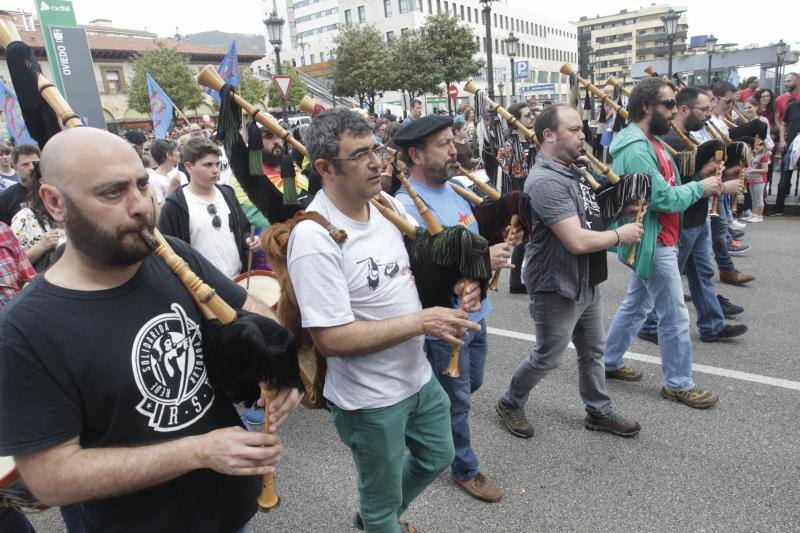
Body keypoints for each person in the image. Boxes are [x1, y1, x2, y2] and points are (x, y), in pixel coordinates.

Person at [0, 127, 302, 531]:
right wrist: (199, 451)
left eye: (142, 185)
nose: (141, 205)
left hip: (233, 510)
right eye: (112, 193)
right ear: (55, 202)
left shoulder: (173, 253)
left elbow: (251, 309)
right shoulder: (24, 329)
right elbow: (51, 479)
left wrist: (280, 369)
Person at [288, 108, 479, 532]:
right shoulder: (314, 238)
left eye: (376, 149)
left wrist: (464, 279)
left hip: (417, 377)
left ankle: (385, 512)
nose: (378, 162)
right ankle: (380, 517)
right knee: (379, 507)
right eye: (359, 155)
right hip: (369, 400)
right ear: (325, 168)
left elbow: (425, 264)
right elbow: (332, 340)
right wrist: (422, 323)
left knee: (438, 455)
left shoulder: (385, 203)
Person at [393, 114, 522, 503]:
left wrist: (501, 236)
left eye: (453, 141)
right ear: (415, 154)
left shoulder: (454, 190)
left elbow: (469, 245)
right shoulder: (406, 207)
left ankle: (427, 413)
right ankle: (464, 466)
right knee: (458, 400)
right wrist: (484, 260)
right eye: (443, 145)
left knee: (469, 386)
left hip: (476, 315)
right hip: (446, 325)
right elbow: (421, 274)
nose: (454, 150)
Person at [495, 104, 643, 441]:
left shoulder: (573, 170)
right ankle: (509, 401)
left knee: (593, 351)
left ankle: (599, 411)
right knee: (549, 356)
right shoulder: (546, 181)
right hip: (556, 284)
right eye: (574, 130)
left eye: (582, 129)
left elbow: (588, 215)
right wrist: (622, 235)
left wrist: (621, 207)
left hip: (585, 278)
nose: (583, 135)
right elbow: (576, 239)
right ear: (549, 135)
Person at [602, 77, 724, 409]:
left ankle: (609, 361)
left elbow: (669, 183)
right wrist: (704, 188)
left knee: (637, 305)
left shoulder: (650, 140)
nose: (674, 111)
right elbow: (661, 198)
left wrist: (700, 176)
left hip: (659, 236)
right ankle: (678, 383)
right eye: (668, 104)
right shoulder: (636, 146)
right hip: (654, 240)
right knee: (674, 315)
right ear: (646, 106)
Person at [637, 87, 747, 344]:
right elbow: (672, 187)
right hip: (681, 219)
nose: (709, 115)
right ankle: (651, 324)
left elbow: (698, 175)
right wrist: (712, 183)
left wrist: (724, 173)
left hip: (699, 217)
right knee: (667, 280)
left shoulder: (692, 136)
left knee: (703, 274)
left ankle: (712, 324)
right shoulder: (670, 142)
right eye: (704, 110)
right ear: (684, 110)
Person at [158, 137, 261, 278]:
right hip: (203, 289)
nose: (215, 170)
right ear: (189, 167)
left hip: (238, 280)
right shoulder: (175, 205)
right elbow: (168, 252)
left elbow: (243, 229)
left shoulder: (227, 193)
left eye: (217, 164)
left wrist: (249, 239)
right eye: (207, 165)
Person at [496, 102, 536, 294]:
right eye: (527, 115)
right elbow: (515, 173)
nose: (532, 118)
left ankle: (515, 282)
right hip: (517, 197)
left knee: (524, 241)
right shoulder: (508, 146)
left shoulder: (534, 140)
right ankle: (527, 279)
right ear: (516, 120)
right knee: (526, 240)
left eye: (532, 114)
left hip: (534, 195)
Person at [10, 157, 65, 271]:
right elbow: (14, 266)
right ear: (43, 182)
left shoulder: (80, 210)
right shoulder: (24, 218)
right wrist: (41, 246)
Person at [770, 76, 800, 216]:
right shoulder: (792, 106)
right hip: (791, 146)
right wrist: (782, 139)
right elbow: (783, 124)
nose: (786, 83)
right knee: (784, 178)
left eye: (790, 80)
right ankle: (778, 208)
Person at [0, 143, 40, 225]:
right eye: (25, 164)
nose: (31, 168)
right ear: (14, 167)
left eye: (34, 163)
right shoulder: (5, 199)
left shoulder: (53, 189)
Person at [148, 138, 187, 204]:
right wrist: (172, 187)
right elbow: (159, 210)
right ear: (168, 155)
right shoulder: (152, 179)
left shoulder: (180, 174)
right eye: (176, 150)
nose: (179, 153)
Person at [743, 136, 770, 222]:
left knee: (759, 198)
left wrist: (753, 170)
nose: (758, 146)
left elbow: (765, 169)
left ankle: (759, 216)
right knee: (754, 198)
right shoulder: (755, 155)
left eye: (760, 144)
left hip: (760, 180)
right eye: (756, 144)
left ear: (764, 146)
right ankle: (754, 215)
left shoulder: (764, 156)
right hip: (752, 179)